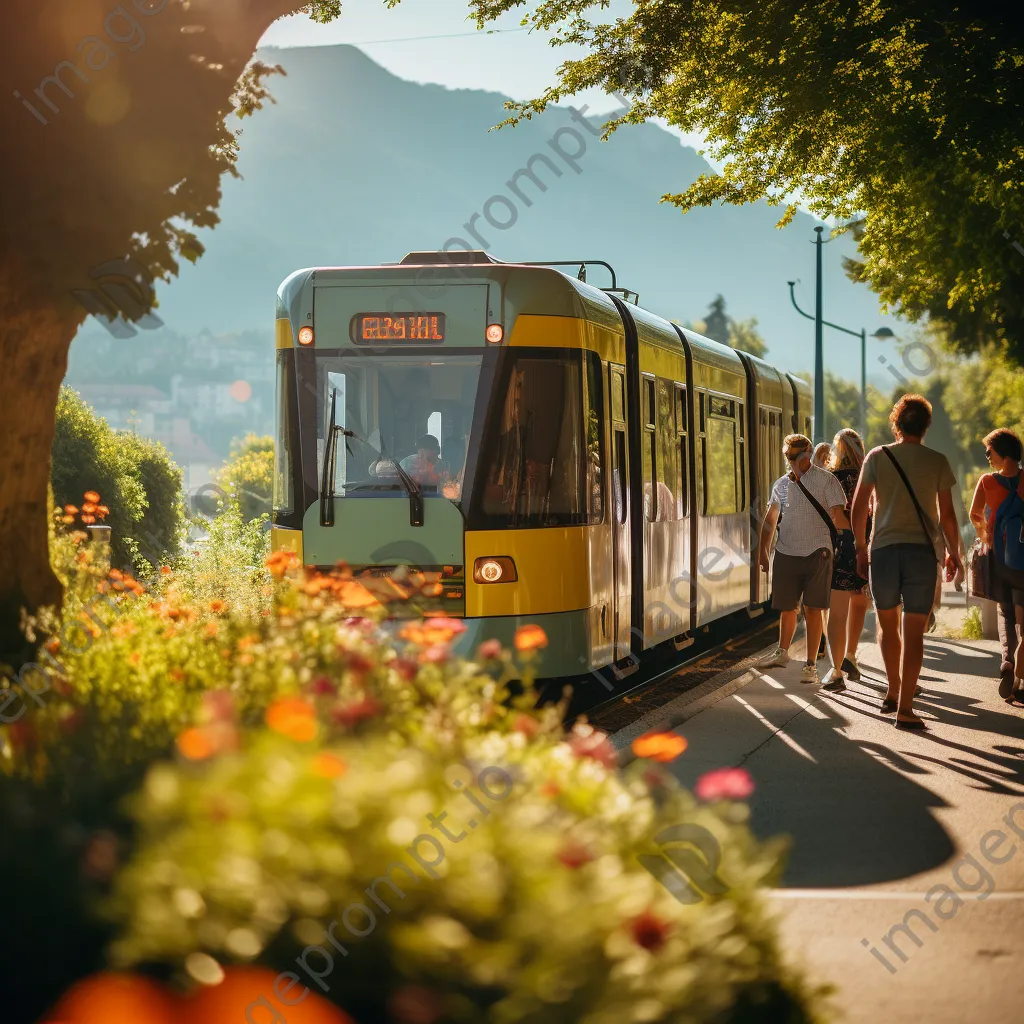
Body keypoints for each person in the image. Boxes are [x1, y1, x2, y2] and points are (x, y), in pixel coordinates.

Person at [851, 395, 962, 729]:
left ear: (895, 423)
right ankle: (906, 709)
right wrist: (956, 554)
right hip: (922, 556)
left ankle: (892, 690)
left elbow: (857, 509)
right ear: (926, 426)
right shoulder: (937, 461)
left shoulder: (877, 457)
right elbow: (948, 517)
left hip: (883, 552)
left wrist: (859, 548)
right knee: (914, 632)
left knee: (887, 626)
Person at [757, 434, 848, 685]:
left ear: (808, 454)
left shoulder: (826, 481)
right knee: (787, 607)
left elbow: (839, 517)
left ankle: (810, 665)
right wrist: (763, 551)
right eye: (788, 458)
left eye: (796, 457)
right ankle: (782, 652)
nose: (792, 462)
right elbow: (770, 518)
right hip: (787, 551)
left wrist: (853, 546)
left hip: (819, 551)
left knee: (814, 608)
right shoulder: (782, 485)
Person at [968, 427, 1024, 701]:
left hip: (999, 557)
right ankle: (1021, 670)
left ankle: (1007, 662)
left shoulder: (988, 482)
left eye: (989, 451)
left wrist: (985, 536)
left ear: (1002, 452)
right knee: (1022, 614)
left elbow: (974, 514)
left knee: (1006, 613)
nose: (987, 456)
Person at [819, 428, 873, 690]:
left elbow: (835, 516)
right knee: (860, 601)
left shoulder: (831, 479)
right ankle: (851, 655)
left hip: (842, 546)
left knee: (837, 613)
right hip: (867, 546)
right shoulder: (869, 477)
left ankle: (836, 669)